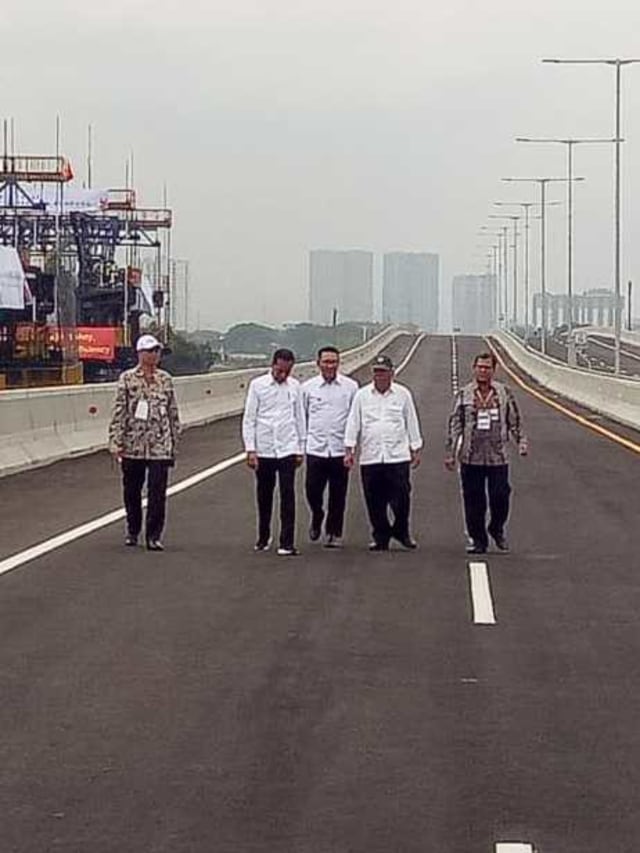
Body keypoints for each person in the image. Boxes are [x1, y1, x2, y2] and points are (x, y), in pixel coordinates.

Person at [445, 351, 528, 555]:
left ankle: (496, 527)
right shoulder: (464, 394)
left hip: (498, 457)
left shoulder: (503, 392)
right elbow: (455, 423)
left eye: (487, 367)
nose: (483, 371)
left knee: (501, 496)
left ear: (493, 370)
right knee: (474, 501)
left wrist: (521, 442)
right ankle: (478, 539)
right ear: (474, 369)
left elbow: (514, 420)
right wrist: (450, 452)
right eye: (480, 367)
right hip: (471, 456)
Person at [108, 333, 181, 551]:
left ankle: (154, 535)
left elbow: (172, 411)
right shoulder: (127, 379)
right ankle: (133, 529)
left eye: (157, 351)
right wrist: (115, 440)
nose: (155, 355)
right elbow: (119, 411)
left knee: (157, 492)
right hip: (133, 444)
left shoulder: (165, 379)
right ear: (140, 354)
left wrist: (174, 442)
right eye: (150, 351)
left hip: (159, 444)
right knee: (132, 490)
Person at [344, 354, 423, 551]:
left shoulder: (403, 394)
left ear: (391, 373)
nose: (379, 376)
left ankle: (401, 530)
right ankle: (380, 536)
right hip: (371, 456)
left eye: (383, 372)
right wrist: (349, 449)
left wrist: (415, 447)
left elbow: (411, 420)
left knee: (402, 498)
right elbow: (353, 422)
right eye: (376, 372)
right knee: (374, 500)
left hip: (397, 455)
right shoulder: (362, 395)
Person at [242, 348, 306, 556]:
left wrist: (300, 449)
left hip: (287, 446)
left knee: (288, 494)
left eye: (287, 372)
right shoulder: (258, 385)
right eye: (280, 371)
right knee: (264, 494)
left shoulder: (296, 387)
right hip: (265, 446)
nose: (283, 375)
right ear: (273, 365)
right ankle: (263, 535)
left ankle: (287, 541)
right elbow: (250, 418)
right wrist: (250, 449)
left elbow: (300, 419)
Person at [302, 346, 358, 548]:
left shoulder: (350, 387)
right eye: (326, 362)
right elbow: (302, 417)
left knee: (338, 493)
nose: (330, 366)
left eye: (333, 362)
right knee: (312, 490)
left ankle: (334, 532)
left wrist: (351, 447)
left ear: (338, 363)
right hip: (315, 448)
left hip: (339, 449)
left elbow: (354, 418)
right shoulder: (308, 388)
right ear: (318, 364)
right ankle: (317, 515)